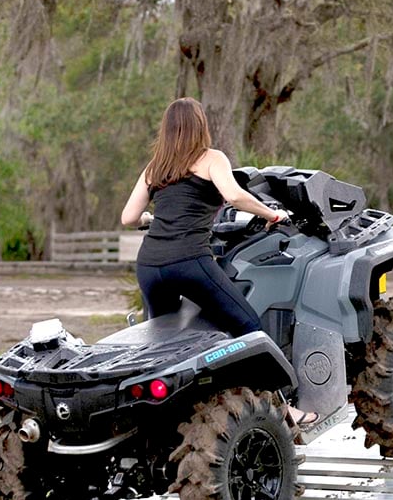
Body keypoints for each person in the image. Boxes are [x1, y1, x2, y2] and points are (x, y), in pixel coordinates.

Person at [120, 97, 317, 428]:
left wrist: (154, 218)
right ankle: (286, 411)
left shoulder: (155, 167)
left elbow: (128, 217)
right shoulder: (211, 158)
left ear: (166, 130)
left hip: (150, 266)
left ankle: (167, 422)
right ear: (201, 126)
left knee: (164, 345)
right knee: (248, 329)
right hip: (188, 260)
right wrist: (272, 213)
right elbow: (235, 196)